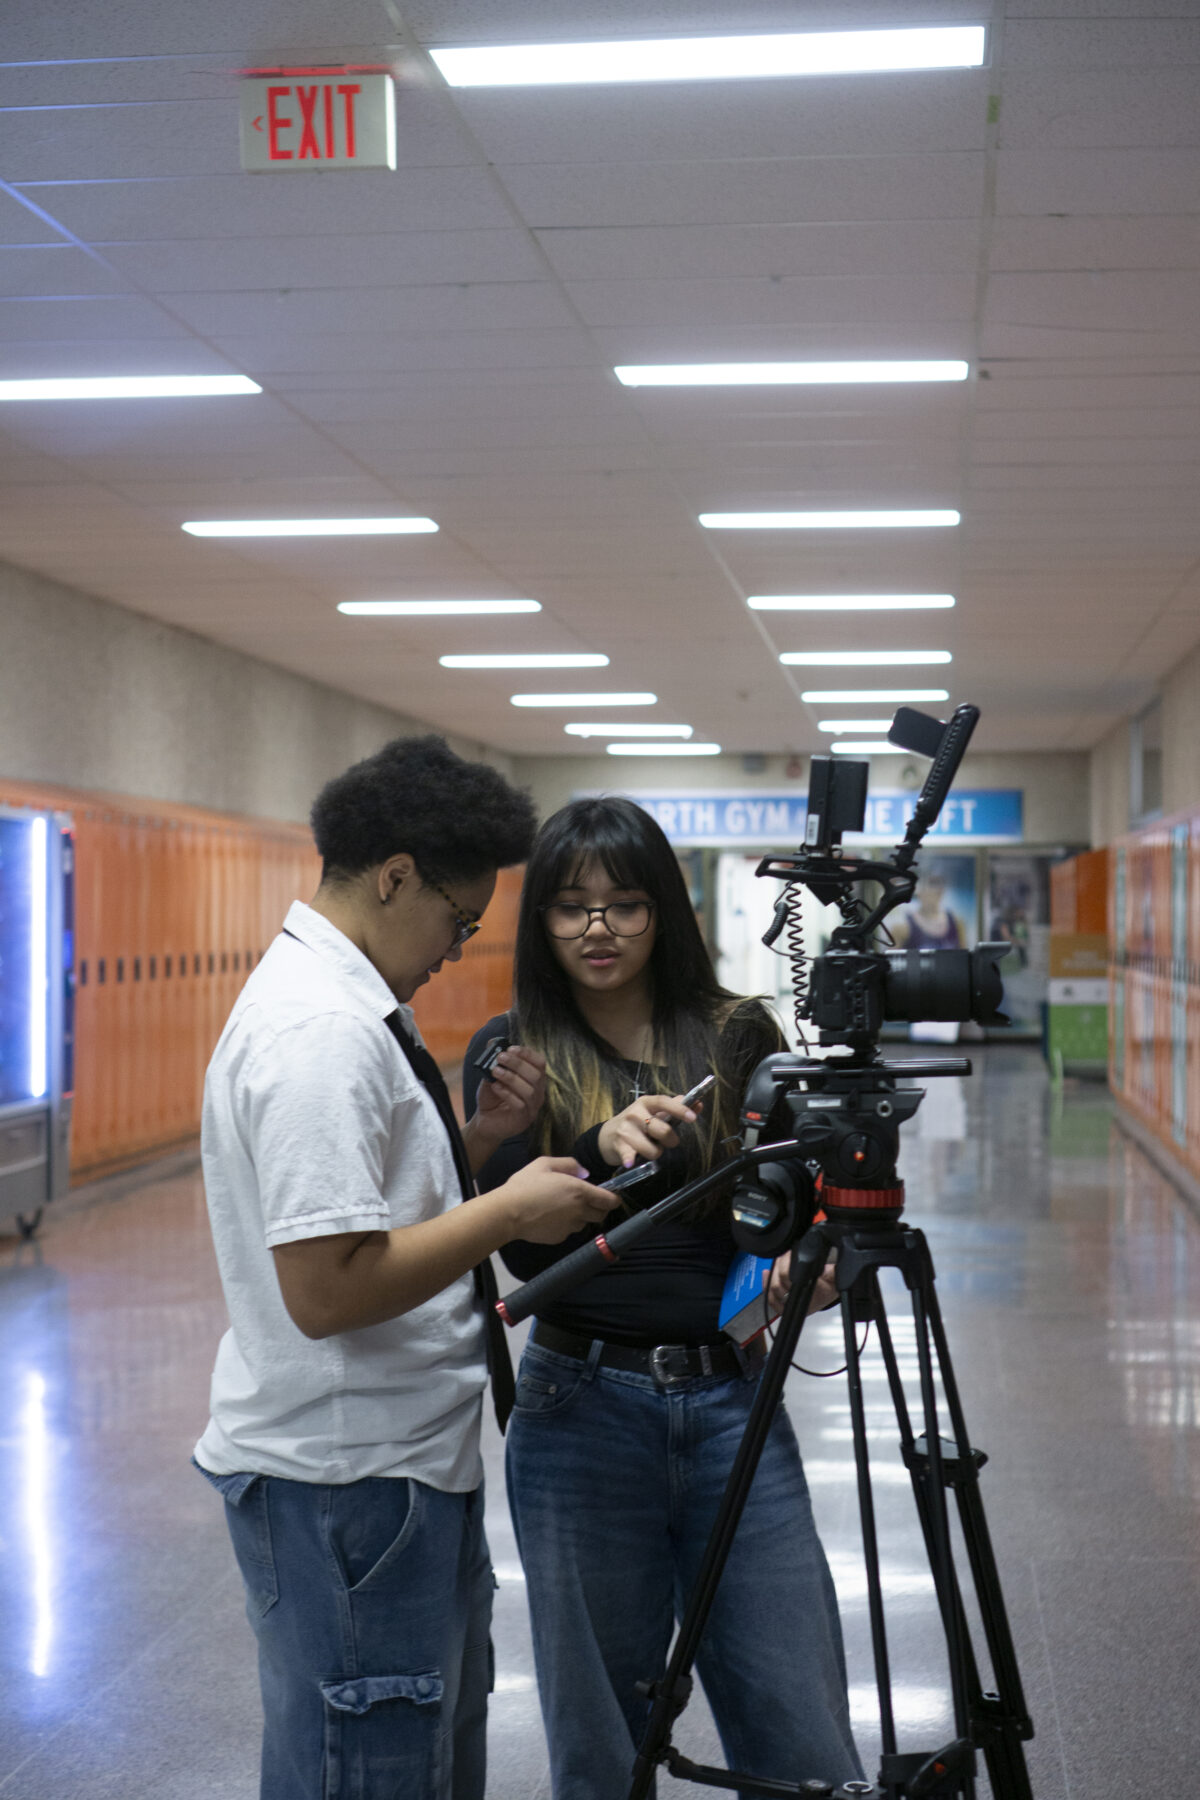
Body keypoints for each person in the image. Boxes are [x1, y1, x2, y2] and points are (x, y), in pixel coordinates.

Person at [193, 736, 612, 1800]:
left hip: (396, 1467)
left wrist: (471, 1146)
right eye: (458, 920)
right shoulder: (320, 1033)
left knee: (414, 1760)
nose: (458, 948)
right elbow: (329, 1287)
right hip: (351, 1490)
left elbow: (360, 1203)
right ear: (394, 877)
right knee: (369, 1771)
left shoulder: (351, 1005)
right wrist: (511, 1207)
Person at [463, 796, 863, 1800]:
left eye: (625, 905)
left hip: (732, 1399)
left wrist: (801, 1269)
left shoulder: (736, 1033)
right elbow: (521, 1246)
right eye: (570, 908)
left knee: (798, 1716)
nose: (598, 930)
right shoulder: (512, 1052)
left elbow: (796, 1205)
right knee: (603, 1741)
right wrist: (598, 1148)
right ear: (541, 922)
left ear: (663, 912)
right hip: (578, 1412)